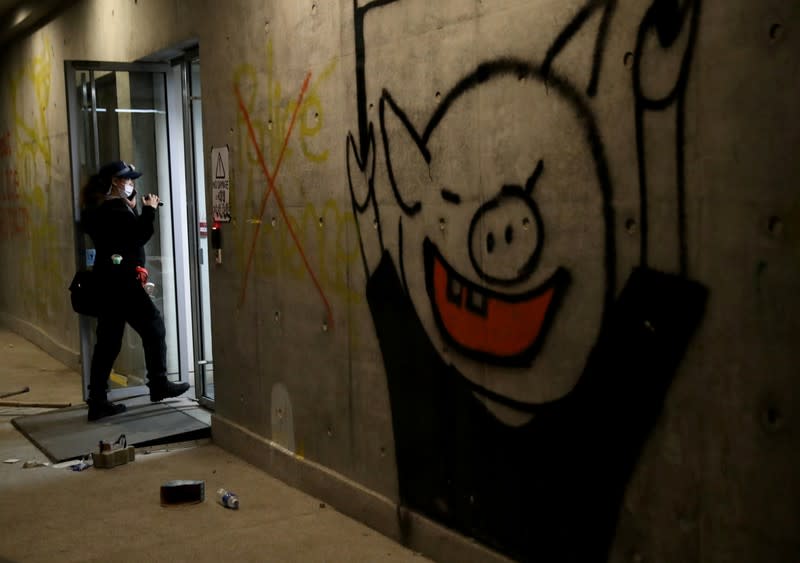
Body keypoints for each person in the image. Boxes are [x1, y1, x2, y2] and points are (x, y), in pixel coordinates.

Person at [80, 160, 189, 421]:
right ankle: (159, 384)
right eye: (128, 180)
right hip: (122, 284)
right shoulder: (114, 209)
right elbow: (138, 235)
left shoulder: (100, 208)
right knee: (154, 327)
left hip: (109, 283)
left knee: (108, 343)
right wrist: (148, 210)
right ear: (116, 183)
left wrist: (129, 209)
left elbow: (119, 236)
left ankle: (97, 401)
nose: (133, 184)